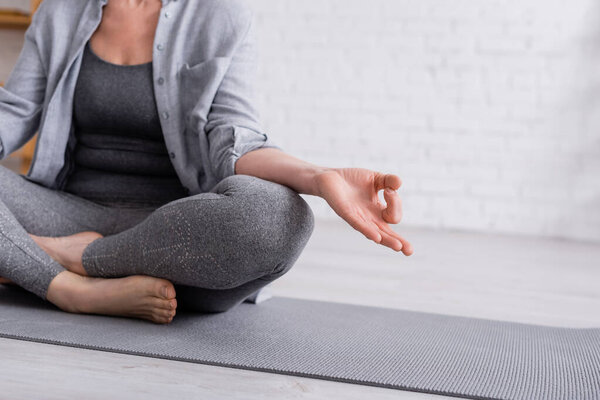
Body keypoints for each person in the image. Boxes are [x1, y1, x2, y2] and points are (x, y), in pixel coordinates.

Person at [0, 0, 412, 324]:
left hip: (180, 235)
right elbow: (14, 112)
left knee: (280, 216)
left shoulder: (221, 15)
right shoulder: (60, 10)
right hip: (61, 219)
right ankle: (72, 289)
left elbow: (236, 138)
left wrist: (318, 177)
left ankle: (65, 259)